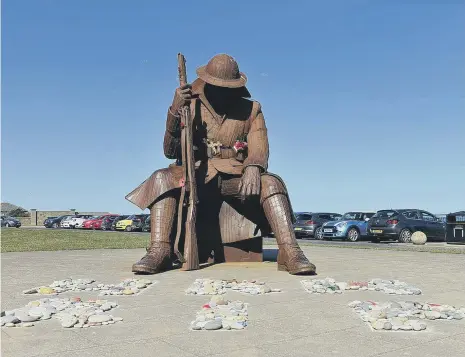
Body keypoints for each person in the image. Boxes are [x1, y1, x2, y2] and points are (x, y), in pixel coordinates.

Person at [126, 54, 316, 275]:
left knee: (272, 183)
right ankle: (160, 250)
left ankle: (290, 251)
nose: (222, 91)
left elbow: (259, 145)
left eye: (228, 87)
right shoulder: (190, 105)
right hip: (196, 174)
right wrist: (175, 111)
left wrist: (254, 166)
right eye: (217, 86)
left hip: (235, 177)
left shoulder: (251, 109)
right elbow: (170, 151)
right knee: (161, 177)